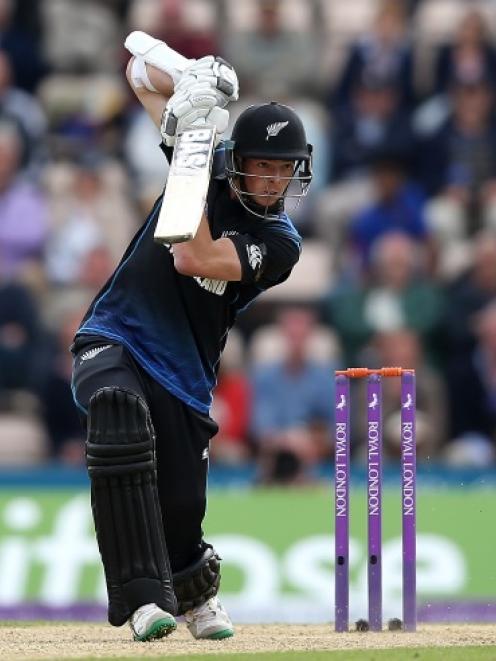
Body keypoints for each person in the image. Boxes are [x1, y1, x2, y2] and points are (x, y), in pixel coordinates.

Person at [70, 31, 312, 643]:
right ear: (239, 160)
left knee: (180, 506)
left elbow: (193, 256)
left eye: (281, 171)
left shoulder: (281, 244)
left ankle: (196, 596)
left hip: (183, 370)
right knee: (116, 412)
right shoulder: (205, 154)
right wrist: (192, 82)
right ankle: (142, 601)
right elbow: (136, 71)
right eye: (260, 166)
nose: (269, 181)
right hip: (114, 334)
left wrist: (188, 151)